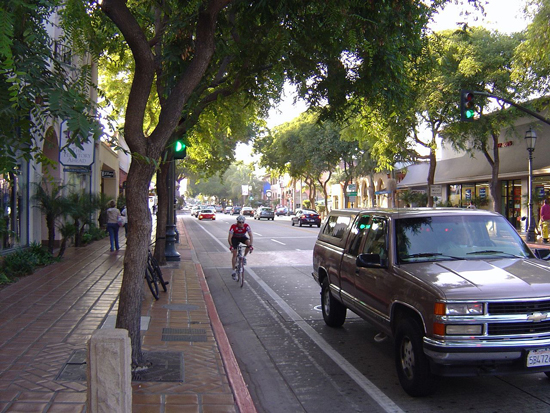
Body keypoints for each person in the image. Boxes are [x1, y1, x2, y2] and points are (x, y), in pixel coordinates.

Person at [228, 215, 253, 280]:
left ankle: (244, 256)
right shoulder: (233, 226)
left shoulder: (246, 226)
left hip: (242, 237)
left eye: (242, 222)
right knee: (234, 254)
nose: (241, 224)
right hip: (234, 238)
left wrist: (250, 245)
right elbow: (229, 237)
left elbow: (251, 236)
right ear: (237, 222)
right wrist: (231, 246)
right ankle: (233, 271)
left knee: (248, 243)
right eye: (239, 222)